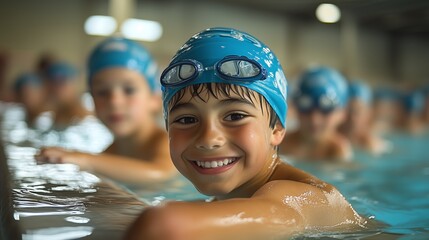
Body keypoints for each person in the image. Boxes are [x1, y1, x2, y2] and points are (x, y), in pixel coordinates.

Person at [125, 28, 365, 240]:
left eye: (235, 116)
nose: (209, 139)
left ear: (277, 129)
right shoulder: (233, 198)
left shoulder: (306, 198)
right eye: (187, 119)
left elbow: (163, 228)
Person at [35, 37, 176, 184]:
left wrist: (86, 160)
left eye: (129, 90)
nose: (114, 101)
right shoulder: (111, 151)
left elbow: (160, 173)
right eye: (102, 92)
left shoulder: (165, 142)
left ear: (154, 99)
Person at [278, 67, 352, 161]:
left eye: (325, 110)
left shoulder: (338, 151)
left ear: (342, 113)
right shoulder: (281, 143)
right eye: (305, 108)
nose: (314, 119)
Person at [341, 81, 389, 154]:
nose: (352, 118)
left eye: (358, 112)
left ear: (369, 113)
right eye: (349, 110)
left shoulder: (371, 145)